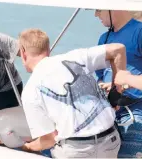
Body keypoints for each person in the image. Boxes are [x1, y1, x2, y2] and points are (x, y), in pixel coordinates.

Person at [18, 29, 127, 158]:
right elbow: (118, 49)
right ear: (48, 49)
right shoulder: (74, 57)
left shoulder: (30, 89)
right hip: (110, 141)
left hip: (76, 150)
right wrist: (116, 95)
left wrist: (27, 147)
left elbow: (49, 139)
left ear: (23, 53)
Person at [95, 10, 142, 157]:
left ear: (113, 8)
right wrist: (105, 85)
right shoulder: (104, 38)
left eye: (98, 10)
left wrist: (126, 83)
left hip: (136, 110)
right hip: (110, 111)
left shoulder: (139, 32)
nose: (95, 15)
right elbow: (99, 75)